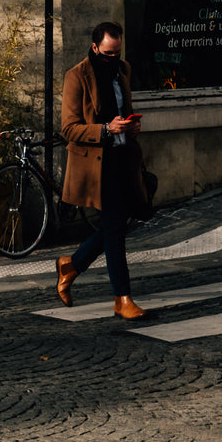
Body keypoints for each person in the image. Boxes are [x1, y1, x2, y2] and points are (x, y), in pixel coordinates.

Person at [55, 21, 149, 320]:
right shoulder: (76, 76)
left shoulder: (123, 70)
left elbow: (124, 109)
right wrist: (106, 130)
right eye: (108, 53)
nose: (113, 59)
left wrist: (131, 126)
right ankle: (122, 298)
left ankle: (72, 265)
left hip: (124, 157)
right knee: (115, 231)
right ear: (95, 47)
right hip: (98, 164)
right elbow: (69, 128)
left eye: (118, 53)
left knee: (117, 224)